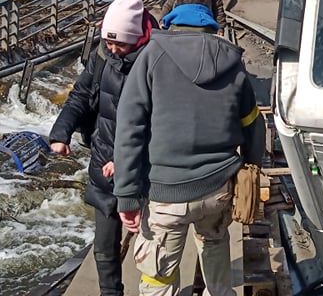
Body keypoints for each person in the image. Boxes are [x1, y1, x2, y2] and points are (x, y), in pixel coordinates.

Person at [112, 27, 266, 296]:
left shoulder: (152, 56)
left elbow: (129, 129)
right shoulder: (230, 61)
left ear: (171, 21)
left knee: (158, 275)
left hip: (166, 193)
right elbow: (253, 122)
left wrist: (126, 195)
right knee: (215, 244)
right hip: (218, 188)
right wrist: (251, 166)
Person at [48, 0, 157, 296]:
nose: (112, 49)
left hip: (145, 170)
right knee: (104, 248)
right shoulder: (102, 54)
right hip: (103, 162)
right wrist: (61, 133)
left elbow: (166, 122)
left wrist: (127, 160)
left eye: (118, 44)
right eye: (108, 41)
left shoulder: (158, 59)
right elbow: (81, 95)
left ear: (136, 37)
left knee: (152, 246)